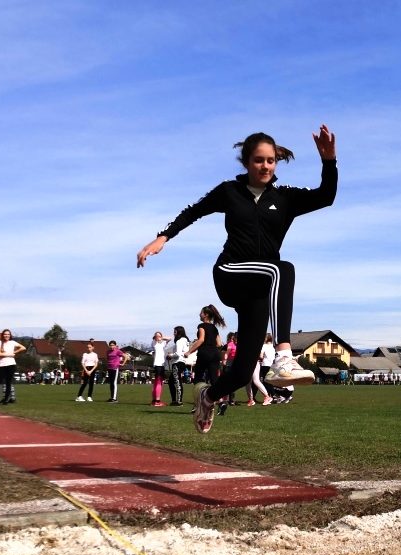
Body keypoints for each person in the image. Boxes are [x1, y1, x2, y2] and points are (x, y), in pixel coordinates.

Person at [136, 125, 337, 433]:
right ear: (246, 162)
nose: (266, 166)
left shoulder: (285, 199)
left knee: (243, 372)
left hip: (259, 289)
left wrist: (328, 161)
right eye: (259, 160)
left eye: (271, 160)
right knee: (283, 269)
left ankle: (207, 396)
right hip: (230, 272)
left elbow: (326, 196)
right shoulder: (229, 191)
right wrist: (162, 237)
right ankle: (284, 355)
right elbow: (194, 211)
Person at [0, 329, 25, 405]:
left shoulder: (12, 342)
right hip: (2, 364)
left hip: (11, 364)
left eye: (8, 334)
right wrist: (10, 354)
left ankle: (6, 400)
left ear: (10, 335)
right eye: (5, 334)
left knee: (8, 383)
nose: (6, 335)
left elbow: (23, 348)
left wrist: (15, 352)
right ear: (2, 335)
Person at [164, 325, 190, 406]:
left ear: (179, 332)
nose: (173, 333)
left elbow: (178, 354)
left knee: (177, 381)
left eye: (175, 331)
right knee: (171, 381)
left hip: (177, 363)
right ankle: (175, 400)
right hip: (182, 363)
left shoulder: (179, 341)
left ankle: (179, 401)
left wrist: (170, 355)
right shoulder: (185, 341)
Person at [149, 331, 170, 407]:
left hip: (161, 364)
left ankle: (154, 400)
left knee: (158, 382)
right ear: (154, 337)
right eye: (156, 336)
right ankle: (157, 401)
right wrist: (157, 338)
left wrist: (162, 337)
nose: (158, 337)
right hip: (158, 365)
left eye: (159, 335)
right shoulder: (154, 342)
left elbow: (170, 338)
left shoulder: (162, 343)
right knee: (158, 382)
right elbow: (156, 339)